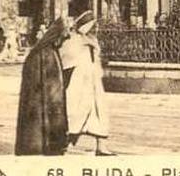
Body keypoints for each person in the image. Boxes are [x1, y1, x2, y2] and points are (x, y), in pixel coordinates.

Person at [58, 11, 113, 156]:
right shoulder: (73, 40)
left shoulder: (92, 40)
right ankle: (67, 144)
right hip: (79, 83)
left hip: (94, 82)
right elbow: (66, 59)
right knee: (77, 112)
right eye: (92, 25)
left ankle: (101, 146)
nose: (94, 28)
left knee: (100, 112)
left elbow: (97, 59)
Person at [15, 17, 69, 156]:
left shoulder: (50, 51)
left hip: (50, 100)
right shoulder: (44, 53)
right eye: (62, 38)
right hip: (41, 101)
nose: (63, 42)